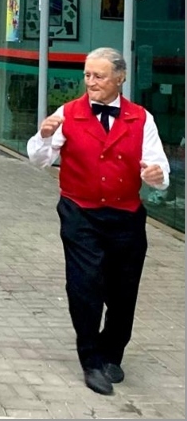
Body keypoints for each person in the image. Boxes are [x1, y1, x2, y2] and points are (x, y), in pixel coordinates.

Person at [27, 47, 169, 396]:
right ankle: (90, 359)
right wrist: (45, 136)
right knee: (84, 285)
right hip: (80, 212)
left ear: (119, 78)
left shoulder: (141, 118)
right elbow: (38, 159)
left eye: (99, 76)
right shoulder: (68, 113)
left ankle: (112, 351)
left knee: (123, 291)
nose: (91, 82)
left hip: (126, 215)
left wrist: (155, 175)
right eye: (88, 75)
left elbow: (159, 168)